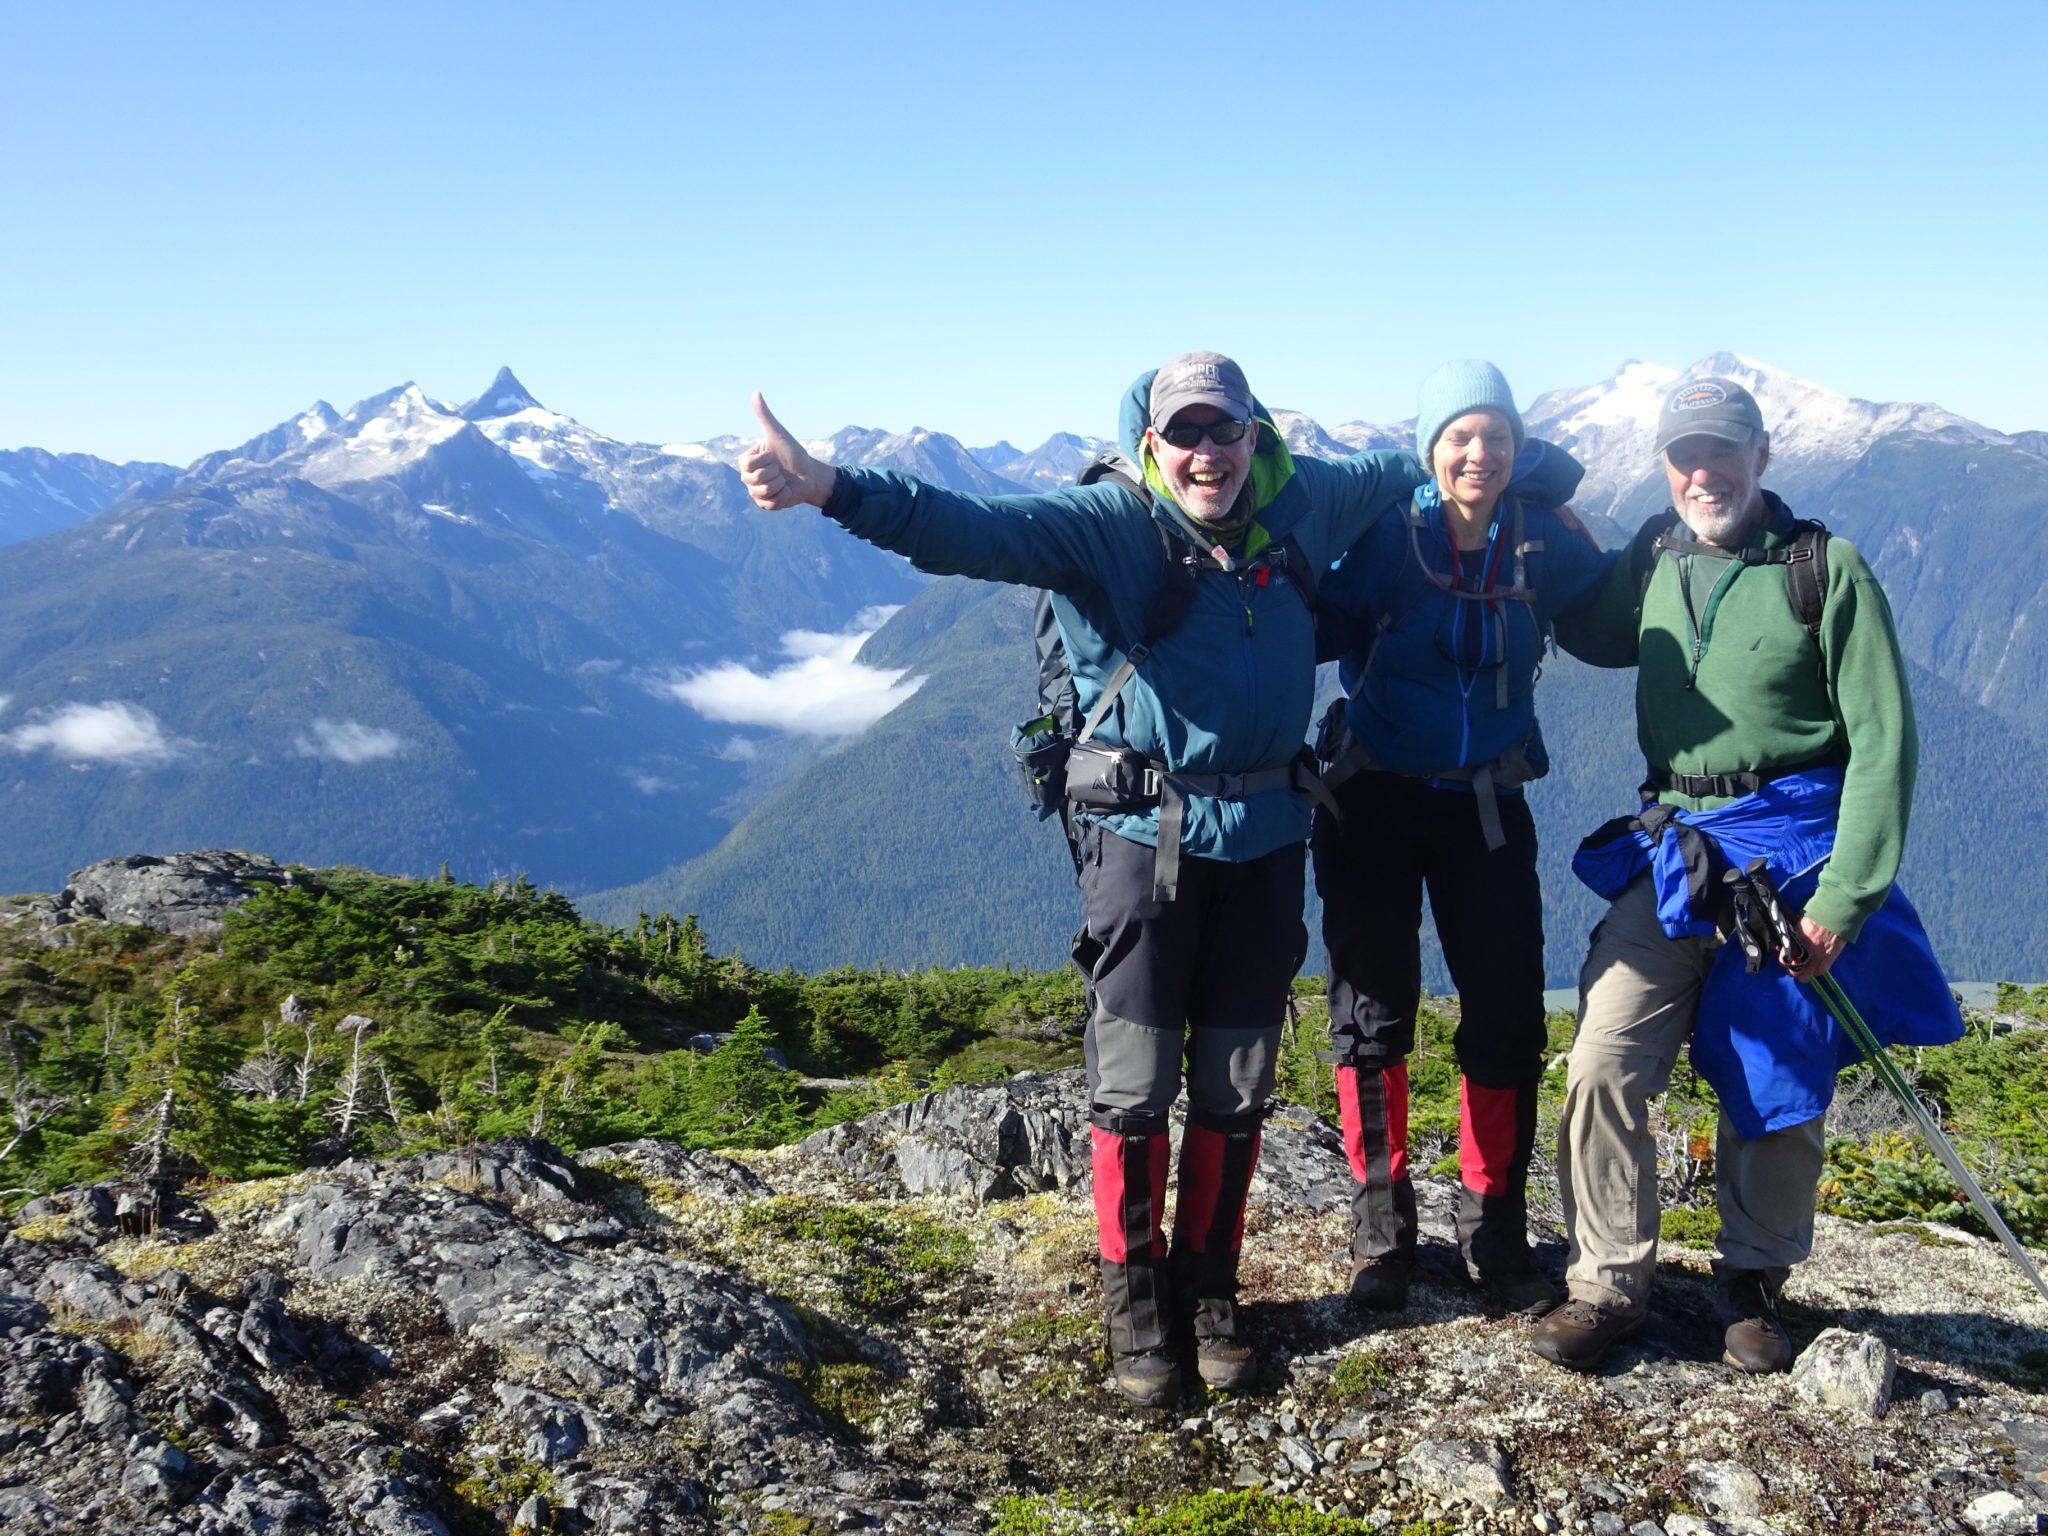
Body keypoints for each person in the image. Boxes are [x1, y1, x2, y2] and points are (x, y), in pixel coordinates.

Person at [739, 352, 1430, 1408]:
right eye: (1184, 434)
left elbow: (1405, 468)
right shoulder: (1110, 526)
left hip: (1264, 839)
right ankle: (1136, 1307)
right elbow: (972, 529)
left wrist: (1490, 451)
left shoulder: (1304, 506)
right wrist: (829, 487)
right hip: (1141, 842)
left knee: (1236, 1085)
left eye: (1224, 431)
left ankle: (1208, 1292)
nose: (1207, 453)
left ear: (1257, 436)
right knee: (1135, 1082)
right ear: (1151, 443)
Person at [1530, 375, 1958, 1373]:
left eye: (1720, 451)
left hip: (1795, 848)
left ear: (1761, 455)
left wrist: (1843, 902)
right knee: (1603, 1057)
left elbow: (1883, 748)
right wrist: (1538, 523)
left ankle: (1751, 1284)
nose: (1700, 471)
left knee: (1775, 1066)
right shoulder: (1654, 551)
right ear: (1664, 465)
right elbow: (1587, 630)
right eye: (1682, 454)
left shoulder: (1825, 570)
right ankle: (1604, 1284)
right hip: (1679, 845)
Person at [1310, 360, 1612, 1316]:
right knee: (1372, 1014)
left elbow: (1613, 619)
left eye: (1497, 438)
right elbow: (1306, 622)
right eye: (1459, 437)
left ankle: (1495, 1232)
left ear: (1518, 451)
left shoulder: (1542, 545)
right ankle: (1382, 1235)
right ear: (1429, 448)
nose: (1478, 454)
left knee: (1507, 1014)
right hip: (1375, 800)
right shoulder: (1387, 540)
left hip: (1484, 806)